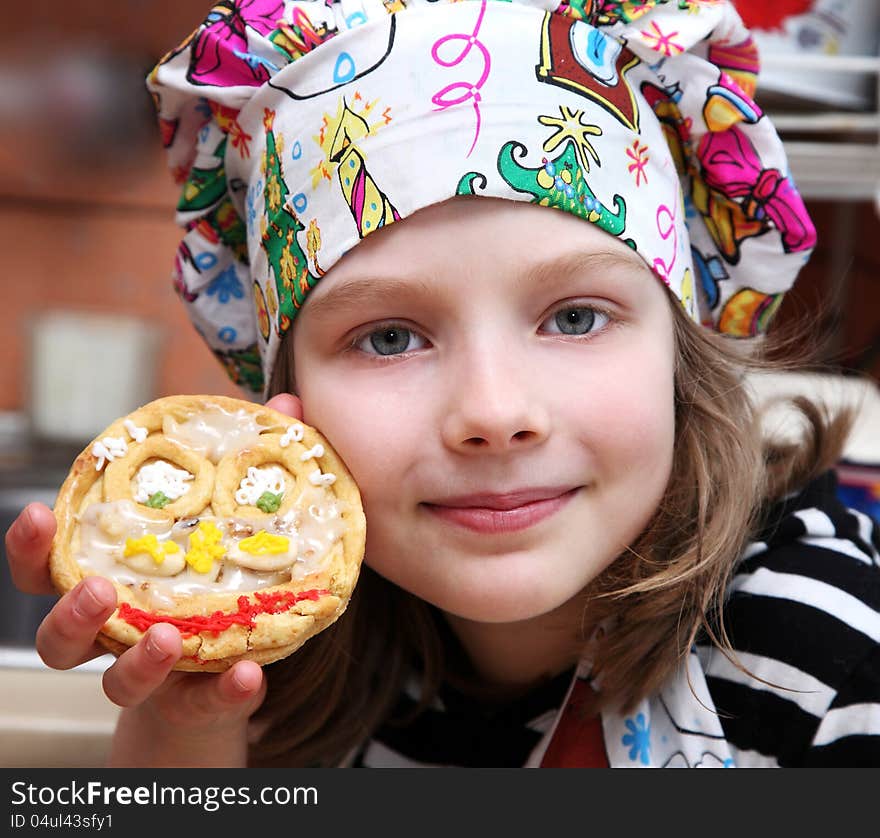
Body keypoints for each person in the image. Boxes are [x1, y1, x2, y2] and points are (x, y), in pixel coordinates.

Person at [6, 0, 879, 767]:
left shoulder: (825, 658)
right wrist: (186, 720)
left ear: (681, 354)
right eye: (389, 336)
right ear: (287, 403)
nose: (494, 414)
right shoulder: (296, 666)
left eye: (574, 318)